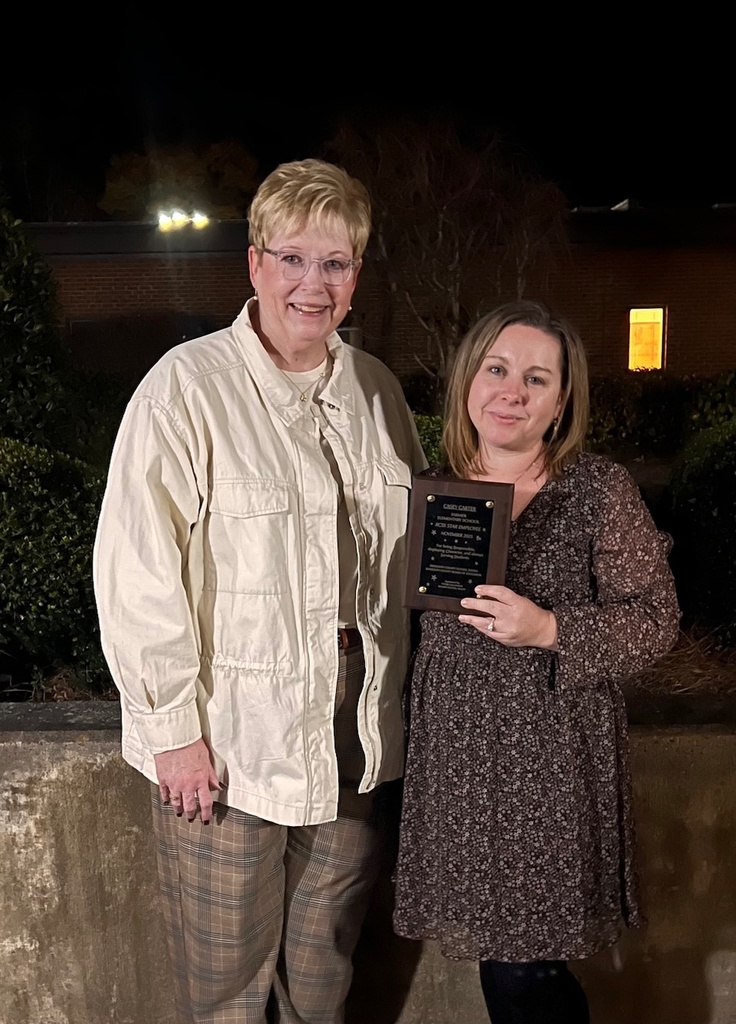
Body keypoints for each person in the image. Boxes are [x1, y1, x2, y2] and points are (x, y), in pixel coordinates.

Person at [93, 158, 426, 1024]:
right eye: (293, 260)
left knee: (325, 979)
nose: (313, 286)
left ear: (357, 274)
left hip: (354, 741)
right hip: (229, 752)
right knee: (228, 995)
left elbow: (416, 561)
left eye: (337, 263)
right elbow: (135, 570)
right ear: (254, 264)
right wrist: (172, 733)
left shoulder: (378, 394)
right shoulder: (186, 388)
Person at [391, 299, 680, 1024]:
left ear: (561, 402)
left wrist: (550, 627)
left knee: (526, 965)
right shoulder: (436, 489)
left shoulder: (597, 491)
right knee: (503, 958)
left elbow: (657, 620)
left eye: (536, 378)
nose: (511, 391)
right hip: (457, 762)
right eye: (497, 369)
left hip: (552, 762)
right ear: (468, 382)